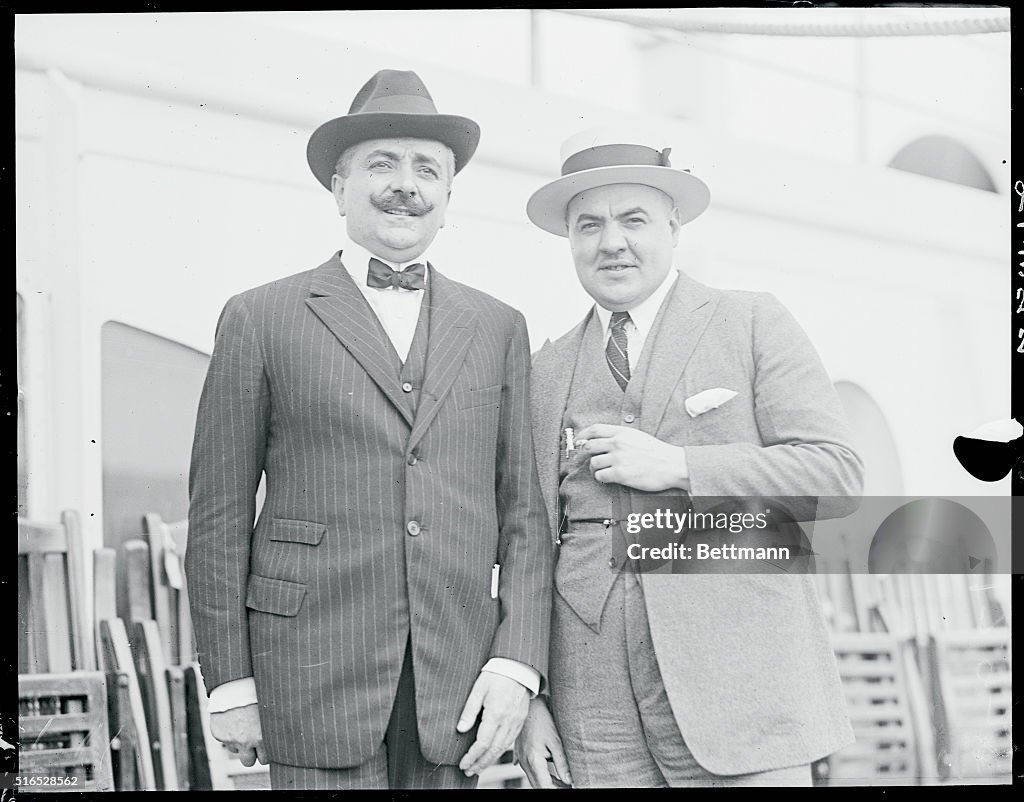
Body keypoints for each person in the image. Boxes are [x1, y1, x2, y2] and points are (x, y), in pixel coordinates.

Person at [185, 69, 552, 790]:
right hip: (309, 673)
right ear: (338, 188)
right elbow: (219, 513)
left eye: (427, 170)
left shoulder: (498, 326)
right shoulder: (261, 317)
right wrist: (230, 682)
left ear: (447, 199)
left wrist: (516, 664)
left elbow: (526, 519)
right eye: (381, 164)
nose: (404, 185)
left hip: (456, 680)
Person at [514, 129, 864, 788]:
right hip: (594, 711)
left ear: (674, 228)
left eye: (634, 219)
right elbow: (529, 543)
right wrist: (532, 698)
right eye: (589, 224)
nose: (611, 240)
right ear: (569, 240)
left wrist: (680, 467)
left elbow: (837, 476)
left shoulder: (753, 321)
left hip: (744, 690)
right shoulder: (544, 369)